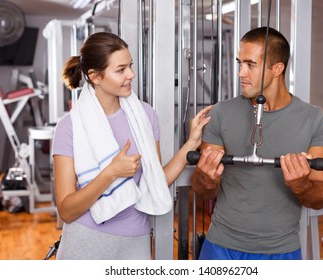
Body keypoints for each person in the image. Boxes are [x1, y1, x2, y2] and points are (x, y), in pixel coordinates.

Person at [52, 32, 211, 260]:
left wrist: (192, 143)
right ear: (95, 77)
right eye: (121, 70)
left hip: (136, 240)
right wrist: (111, 173)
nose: (131, 74)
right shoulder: (70, 127)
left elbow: (156, 180)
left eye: (131, 66)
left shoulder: (144, 116)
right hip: (86, 240)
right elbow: (67, 211)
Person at [190, 27, 323, 260]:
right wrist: (207, 178)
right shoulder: (220, 113)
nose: (240, 73)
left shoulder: (315, 119)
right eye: (239, 63)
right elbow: (202, 190)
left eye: (250, 65)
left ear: (277, 69)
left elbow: (320, 197)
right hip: (221, 245)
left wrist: (301, 185)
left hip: (280, 250)